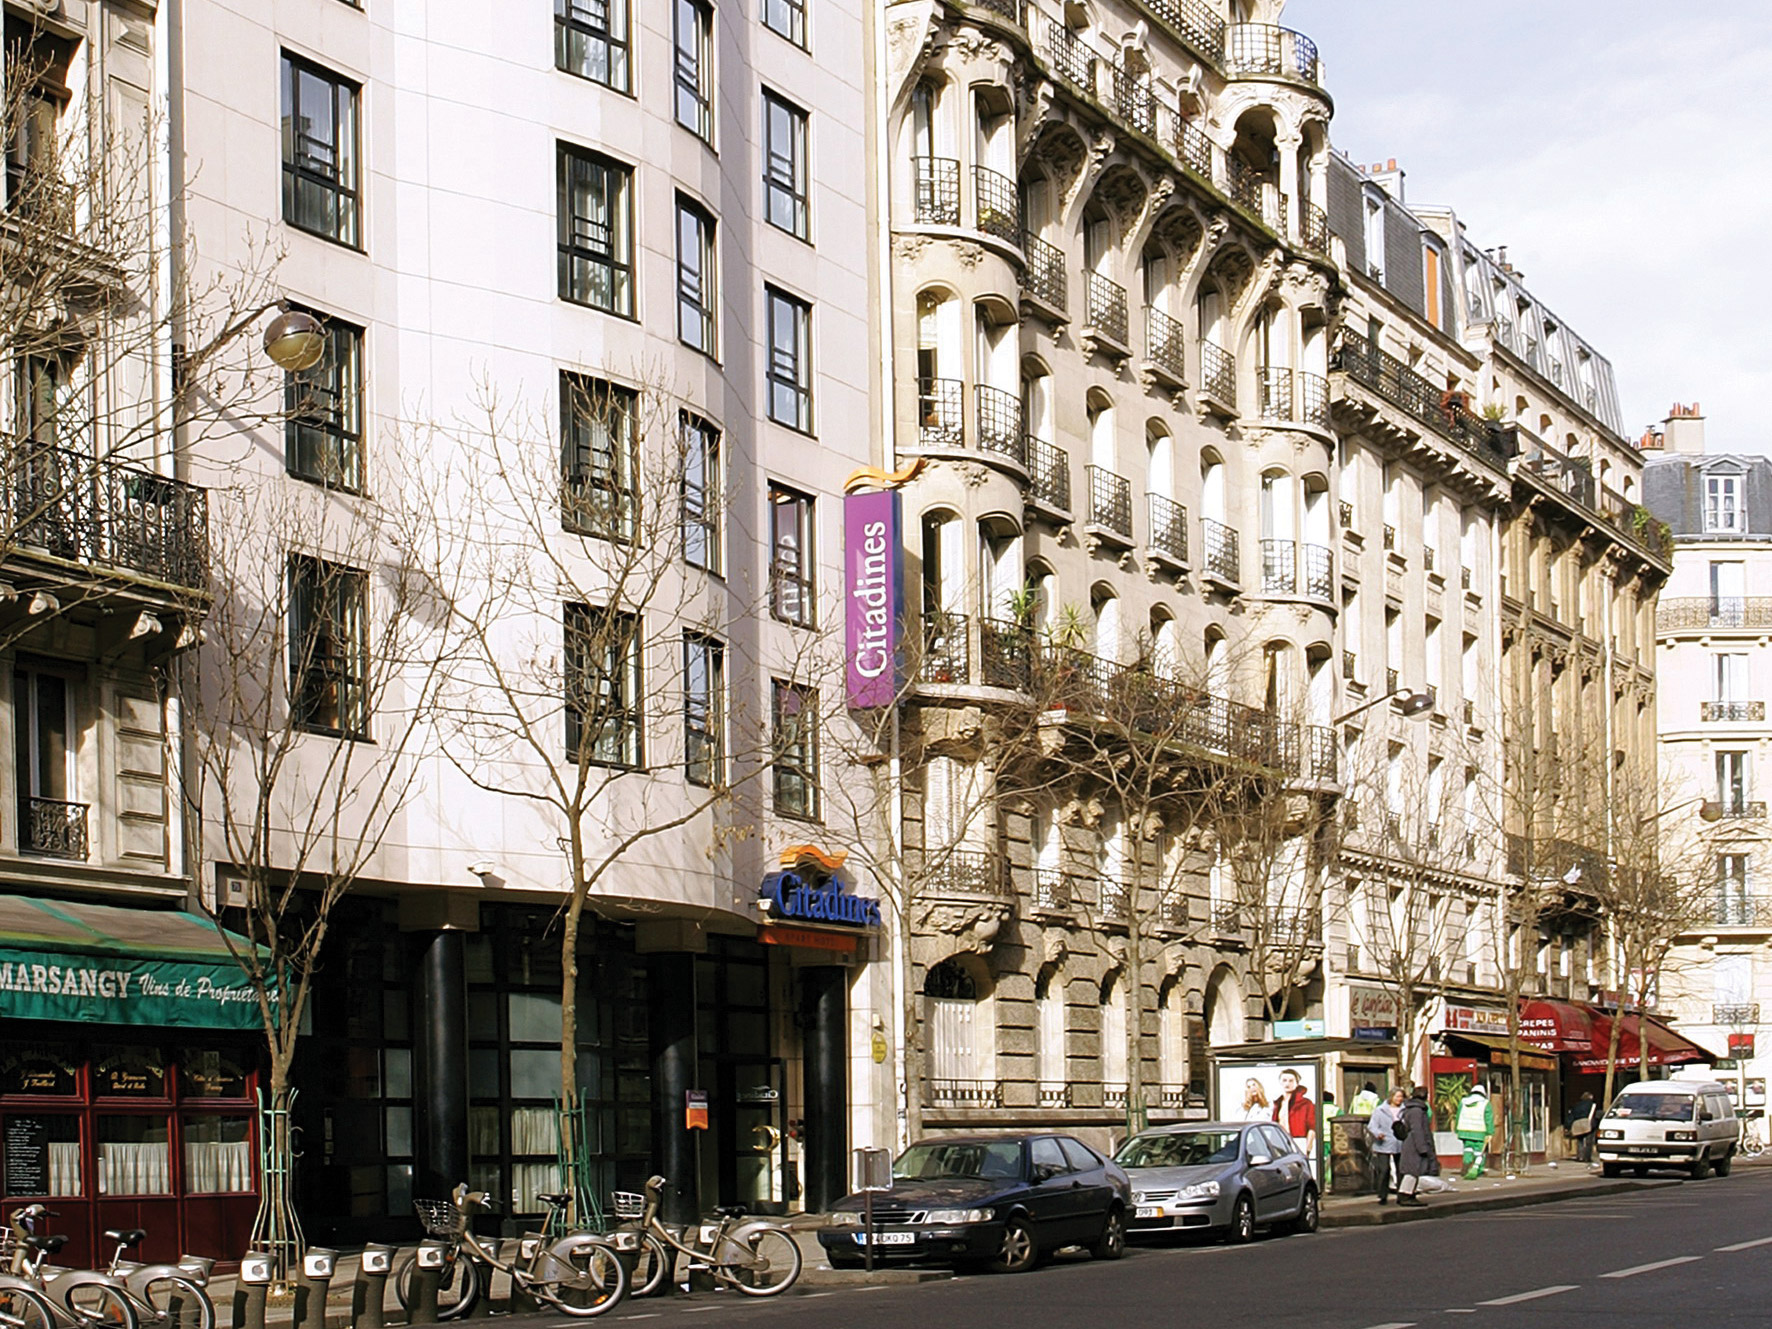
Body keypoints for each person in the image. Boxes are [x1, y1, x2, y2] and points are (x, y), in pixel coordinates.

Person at [1395, 1085, 1435, 1207]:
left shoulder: (1412, 1108)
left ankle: (1409, 1193)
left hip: (1412, 1143)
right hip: (1414, 1144)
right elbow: (1417, 1130)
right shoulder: (1417, 1111)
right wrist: (1422, 1147)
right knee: (1412, 1170)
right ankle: (1405, 1195)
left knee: (1414, 1170)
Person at [1272, 1067, 1319, 1161]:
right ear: (1280, 1082)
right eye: (1284, 1080)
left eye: (1291, 1081)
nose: (1287, 1083)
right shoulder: (1278, 1103)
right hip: (1280, 1142)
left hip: (1299, 1141)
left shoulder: (1306, 1103)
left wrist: (1307, 1149)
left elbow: (1312, 1127)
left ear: (1297, 1083)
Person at [1369, 1087, 1405, 1204]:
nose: (1399, 1099)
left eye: (1401, 1097)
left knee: (1401, 1170)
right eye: (1397, 1096)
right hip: (1383, 1143)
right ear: (1391, 1097)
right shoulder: (1380, 1110)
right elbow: (1372, 1126)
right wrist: (1378, 1134)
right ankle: (1382, 1195)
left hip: (1400, 1143)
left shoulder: (1405, 1110)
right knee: (1384, 1170)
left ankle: (1402, 1194)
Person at [1455, 1082, 1495, 1179]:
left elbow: (1458, 1115)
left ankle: (1466, 1167)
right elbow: (1488, 1119)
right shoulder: (1485, 1103)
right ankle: (1478, 1169)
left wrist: (1457, 1129)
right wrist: (1490, 1132)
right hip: (1479, 1132)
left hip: (1464, 1131)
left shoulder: (1463, 1101)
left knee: (1467, 1150)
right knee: (1479, 1151)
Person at [1566, 1090, 1600, 1165]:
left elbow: (1571, 1115)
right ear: (1590, 1097)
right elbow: (1596, 1114)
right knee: (1588, 1141)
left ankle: (1580, 1156)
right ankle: (1587, 1157)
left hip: (1577, 1124)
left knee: (1580, 1140)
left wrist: (1568, 1126)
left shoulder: (1576, 1105)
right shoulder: (1592, 1105)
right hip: (1588, 1123)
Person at [1320, 1090, 1340, 1191]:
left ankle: (1321, 1181)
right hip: (1333, 1139)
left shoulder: (1318, 1109)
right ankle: (1329, 1182)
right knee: (1332, 1162)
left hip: (1321, 1140)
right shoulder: (1336, 1110)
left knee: (1322, 1162)